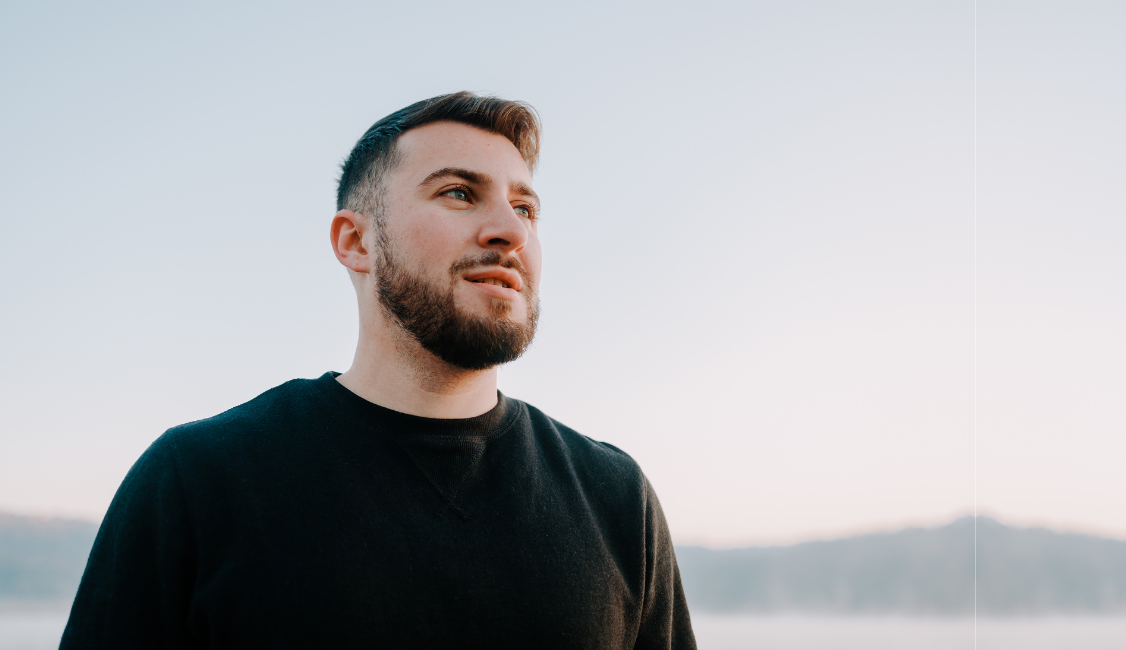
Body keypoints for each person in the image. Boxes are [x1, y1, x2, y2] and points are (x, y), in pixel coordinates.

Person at [60, 91, 696, 649]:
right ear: (355, 241)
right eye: (459, 193)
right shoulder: (195, 481)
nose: (510, 230)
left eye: (526, 208)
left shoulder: (616, 499)